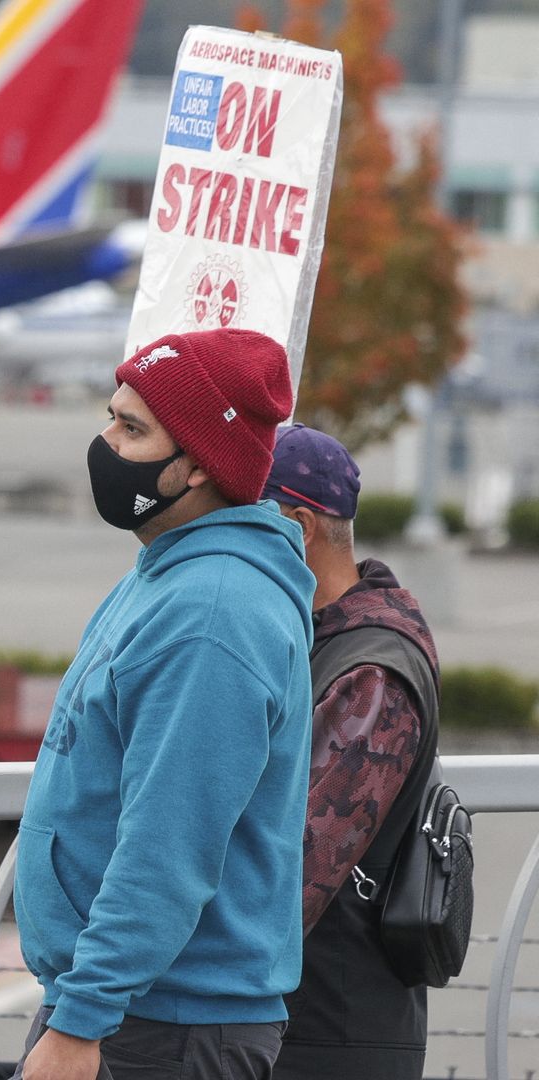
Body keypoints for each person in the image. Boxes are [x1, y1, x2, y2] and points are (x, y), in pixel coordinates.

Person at [12, 329, 316, 1080]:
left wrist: (82, 1019)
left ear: (201, 468)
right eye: (112, 415)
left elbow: (168, 846)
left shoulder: (211, 613)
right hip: (125, 1010)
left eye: (133, 429)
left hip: (161, 1027)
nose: (106, 442)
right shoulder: (166, 574)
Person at [262, 424, 440, 1080]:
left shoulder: (372, 669)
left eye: (235, 516)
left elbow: (295, 874)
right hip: (300, 1024)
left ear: (298, 526)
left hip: (329, 1035)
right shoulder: (315, 638)